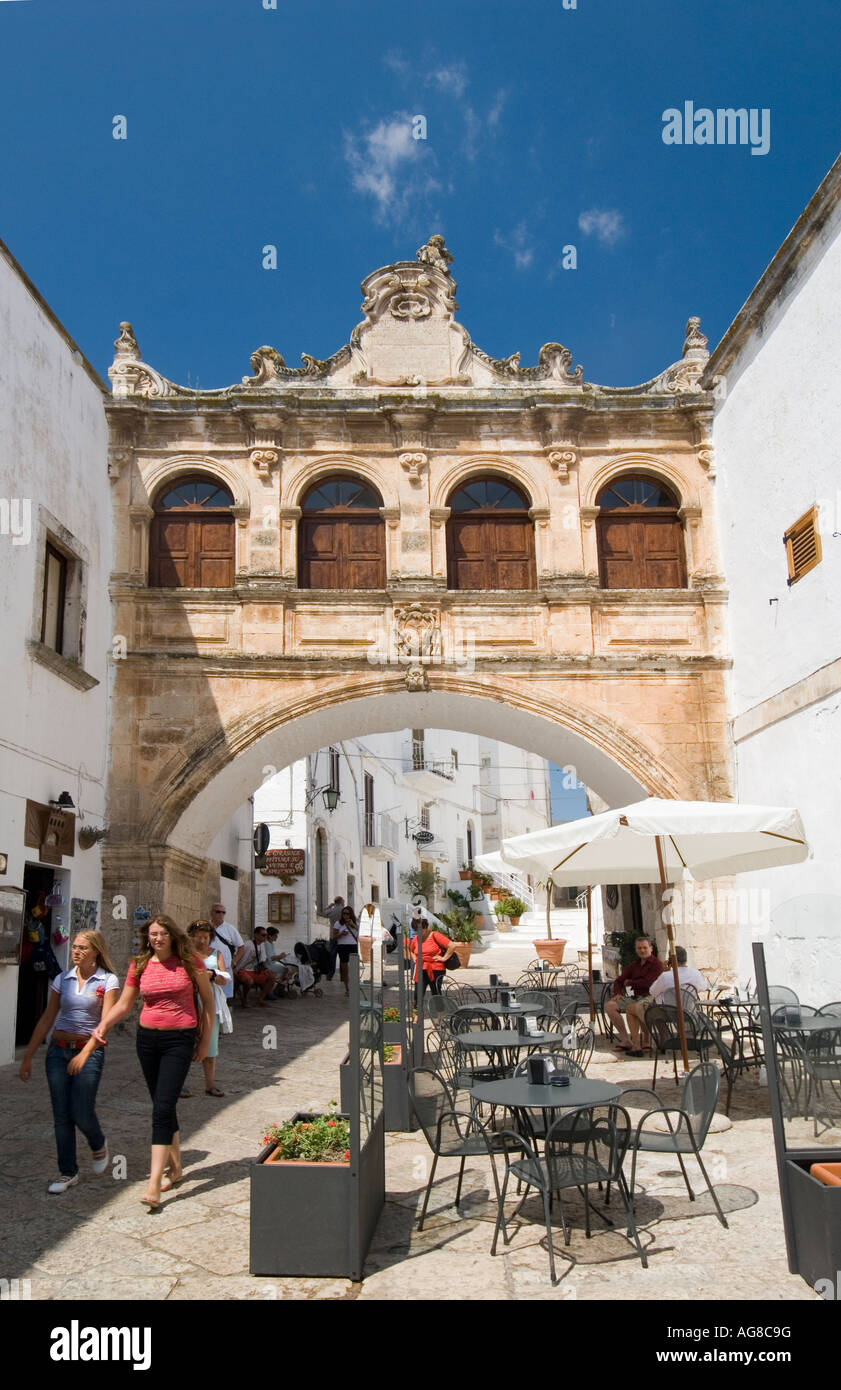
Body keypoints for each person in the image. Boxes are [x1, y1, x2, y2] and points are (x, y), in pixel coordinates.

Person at [92, 914, 214, 1209]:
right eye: (152, 934)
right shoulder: (140, 964)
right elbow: (124, 1003)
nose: (156, 938)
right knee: (164, 1104)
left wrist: (206, 1041)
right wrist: (103, 1026)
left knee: (161, 1108)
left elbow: (208, 1003)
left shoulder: (190, 963)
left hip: (179, 1040)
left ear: (172, 935)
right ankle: (177, 1168)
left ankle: (154, 1183)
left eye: (161, 934)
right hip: (147, 1040)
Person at [19, 931, 120, 1194]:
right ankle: (68, 1172)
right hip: (57, 1051)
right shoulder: (62, 979)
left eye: (83, 948)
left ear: (96, 951)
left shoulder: (107, 981)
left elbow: (105, 1024)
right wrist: (28, 1057)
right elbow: (47, 1018)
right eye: (74, 947)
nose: (76, 952)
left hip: (89, 1050)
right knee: (61, 1115)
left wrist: (85, 1053)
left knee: (81, 1111)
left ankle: (98, 1143)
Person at [187, 920, 231, 1096]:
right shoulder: (187, 954)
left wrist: (212, 975)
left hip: (211, 1001)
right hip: (189, 999)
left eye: (205, 937)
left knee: (211, 1044)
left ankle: (210, 1084)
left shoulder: (216, 954)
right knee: (186, 1042)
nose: (202, 940)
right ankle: (181, 1083)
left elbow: (224, 978)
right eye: (198, 937)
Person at [605, 935, 665, 1056]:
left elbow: (649, 983)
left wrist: (631, 983)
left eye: (644, 947)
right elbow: (619, 980)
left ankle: (644, 1041)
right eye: (639, 948)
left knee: (636, 1008)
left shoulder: (657, 965)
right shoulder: (634, 965)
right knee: (610, 1006)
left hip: (650, 997)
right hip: (635, 997)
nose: (642, 950)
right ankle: (626, 1039)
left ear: (651, 948)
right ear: (636, 950)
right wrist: (618, 993)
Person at [408, 918, 459, 997]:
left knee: (436, 993)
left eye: (421, 930)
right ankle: (417, 1008)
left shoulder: (435, 935)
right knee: (418, 994)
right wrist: (415, 958)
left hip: (435, 968)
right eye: (416, 930)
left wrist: (444, 958)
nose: (419, 932)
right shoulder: (415, 939)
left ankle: (438, 1009)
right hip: (421, 968)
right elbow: (411, 950)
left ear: (426, 927)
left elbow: (452, 946)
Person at [209, 903, 244, 995]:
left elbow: (241, 947)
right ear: (212, 913)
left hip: (225, 967)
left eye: (223, 912)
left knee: (225, 997)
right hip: (209, 967)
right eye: (218, 912)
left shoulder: (230, 928)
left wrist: (235, 961)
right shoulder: (206, 927)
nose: (221, 914)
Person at [234, 927, 275, 1005]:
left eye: (266, 935)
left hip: (254, 970)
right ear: (256, 935)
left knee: (272, 977)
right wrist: (234, 968)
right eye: (263, 935)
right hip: (242, 969)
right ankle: (244, 998)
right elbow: (237, 954)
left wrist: (265, 969)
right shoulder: (248, 944)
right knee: (249, 981)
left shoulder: (262, 945)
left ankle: (261, 999)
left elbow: (262, 960)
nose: (265, 937)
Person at [332, 905, 359, 997]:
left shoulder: (356, 923)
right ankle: (347, 988)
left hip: (353, 946)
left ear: (350, 914)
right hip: (342, 947)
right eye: (343, 914)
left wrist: (353, 925)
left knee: (354, 968)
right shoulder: (338, 923)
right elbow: (333, 937)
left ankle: (355, 987)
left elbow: (361, 933)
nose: (345, 916)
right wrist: (341, 934)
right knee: (344, 968)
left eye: (347, 914)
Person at [325, 897, 345, 980]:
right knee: (342, 957)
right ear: (341, 902)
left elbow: (324, 913)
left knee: (332, 956)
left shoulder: (331, 911)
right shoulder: (344, 910)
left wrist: (329, 906)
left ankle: (330, 974)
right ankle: (343, 976)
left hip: (333, 935)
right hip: (342, 936)